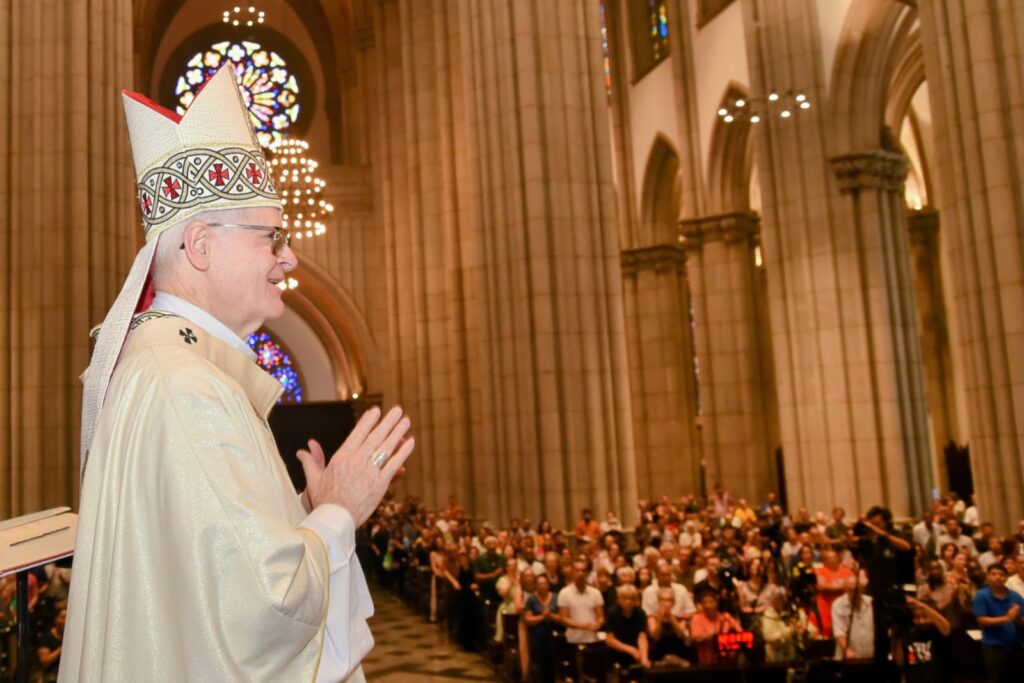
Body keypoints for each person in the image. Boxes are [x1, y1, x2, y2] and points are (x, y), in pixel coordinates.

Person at [60, 66, 415, 682]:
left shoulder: (175, 367)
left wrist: (301, 510)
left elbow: (207, 566)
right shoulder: (183, 384)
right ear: (200, 245)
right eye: (270, 237)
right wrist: (337, 511)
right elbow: (261, 612)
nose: (289, 257)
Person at [972, 563, 1024, 683]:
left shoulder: (1015, 596)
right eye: (994, 574)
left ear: (1006, 577)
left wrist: (1017, 619)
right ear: (987, 577)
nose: (998, 577)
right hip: (994, 648)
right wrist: (1007, 618)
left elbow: (1021, 620)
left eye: (1001, 574)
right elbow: (982, 620)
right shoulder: (981, 595)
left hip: (1016, 647)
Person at [603, 585, 651, 673]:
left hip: (636, 655)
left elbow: (642, 637)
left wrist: (644, 658)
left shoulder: (640, 613)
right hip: (616, 654)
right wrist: (631, 650)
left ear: (636, 600)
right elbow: (610, 640)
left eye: (632, 598)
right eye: (625, 598)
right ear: (619, 599)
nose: (628, 601)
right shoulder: (612, 613)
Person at [689, 588, 741, 666]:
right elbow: (696, 638)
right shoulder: (696, 618)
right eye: (705, 603)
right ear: (701, 605)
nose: (708, 605)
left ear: (716, 602)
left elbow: (741, 633)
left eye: (711, 602)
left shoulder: (726, 617)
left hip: (728, 660)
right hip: (707, 661)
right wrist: (715, 635)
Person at [523, 575, 560, 683]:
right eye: (539, 584)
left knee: (553, 663)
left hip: (554, 635)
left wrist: (551, 615)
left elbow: (562, 617)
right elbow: (528, 619)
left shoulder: (556, 597)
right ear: (535, 585)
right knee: (540, 664)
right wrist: (542, 617)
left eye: (544, 583)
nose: (542, 586)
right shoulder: (532, 599)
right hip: (537, 635)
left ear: (548, 585)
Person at [831, 577, 874, 661]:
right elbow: (839, 632)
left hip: (869, 658)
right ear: (846, 590)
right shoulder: (838, 605)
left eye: (857, 589)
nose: (854, 592)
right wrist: (847, 651)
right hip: (847, 659)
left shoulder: (870, 603)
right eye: (851, 590)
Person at [647, 586, 691, 665]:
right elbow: (655, 637)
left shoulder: (680, 618)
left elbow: (681, 635)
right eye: (662, 600)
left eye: (669, 600)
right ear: (658, 601)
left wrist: (670, 616)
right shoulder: (652, 618)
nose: (666, 603)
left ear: (673, 602)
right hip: (659, 660)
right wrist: (660, 617)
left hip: (679, 658)